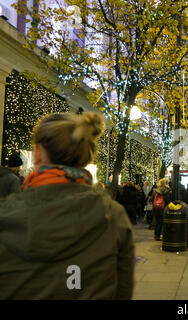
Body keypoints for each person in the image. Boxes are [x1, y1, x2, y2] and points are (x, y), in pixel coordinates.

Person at [0, 112, 134, 299]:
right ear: (87, 157)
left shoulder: (5, 215)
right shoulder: (114, 216)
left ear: (38, 154)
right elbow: (122, 291)